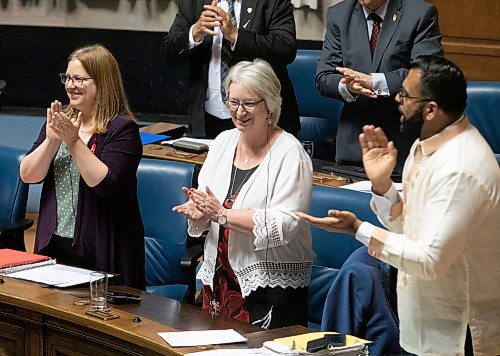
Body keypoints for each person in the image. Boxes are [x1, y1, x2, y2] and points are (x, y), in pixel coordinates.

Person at [299, 56, 500, 355]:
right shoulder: (425, 144)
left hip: (459, 332)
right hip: (424, 317)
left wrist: (358, 229)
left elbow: (429, 260)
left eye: (405, 94)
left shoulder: (461, 167)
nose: (396, 98)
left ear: (431, 109)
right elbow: (414, 228)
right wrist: (383, 186)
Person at [173, 59, 314, 329]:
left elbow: (285, 224)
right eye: (233, 102)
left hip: (270, 287)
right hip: (220, 279)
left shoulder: (290, 154)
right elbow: (207, 201)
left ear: (270, 103)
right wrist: (199, 211)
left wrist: (223, 215)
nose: (239, 111)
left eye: (249, 103)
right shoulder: (223, 142)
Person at [19, 44, 145, 290]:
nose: (70, 85)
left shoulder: (121, 129)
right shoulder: (61, 122)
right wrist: (52, 140)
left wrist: (74, 142)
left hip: (102, 249)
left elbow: (104, 183)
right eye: (67, 77)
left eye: (79, 79)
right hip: (54, 244)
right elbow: (28, 175)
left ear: (102, 83)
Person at [316, 0, 443, 170]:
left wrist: (375, 82)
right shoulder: (339, 14)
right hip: (353, 145)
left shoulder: (419, 14)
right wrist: (348, 86)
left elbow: (427, 72)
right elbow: (324, 76)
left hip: (401, 145)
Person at [161, 0, 300, 139]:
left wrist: (235, 36)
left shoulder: (273, 2)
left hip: (262, 122)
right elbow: (169, 54)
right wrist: (194, 33)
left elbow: (286, 49)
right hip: (208, 121)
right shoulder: (193, 3)